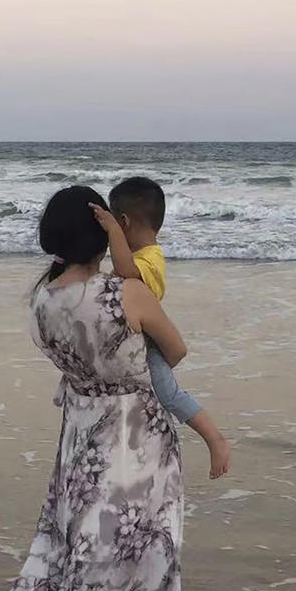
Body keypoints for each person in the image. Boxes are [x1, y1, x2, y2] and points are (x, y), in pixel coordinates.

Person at [4, 185, 202, 591]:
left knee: (84, 540)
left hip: (81, 437)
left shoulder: (41, 302)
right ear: (103, 232)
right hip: (137, 437)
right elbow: (175, 352)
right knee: (146, 542)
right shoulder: (123, 293)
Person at [89, 176, 231, 481]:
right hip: (138, 336)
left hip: (150, 341)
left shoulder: (150, 259)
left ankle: (214, 439)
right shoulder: (141, 256)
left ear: (124, 222)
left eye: (116, 226)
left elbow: (125, 272)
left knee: (168, 392)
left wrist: (111, 230)